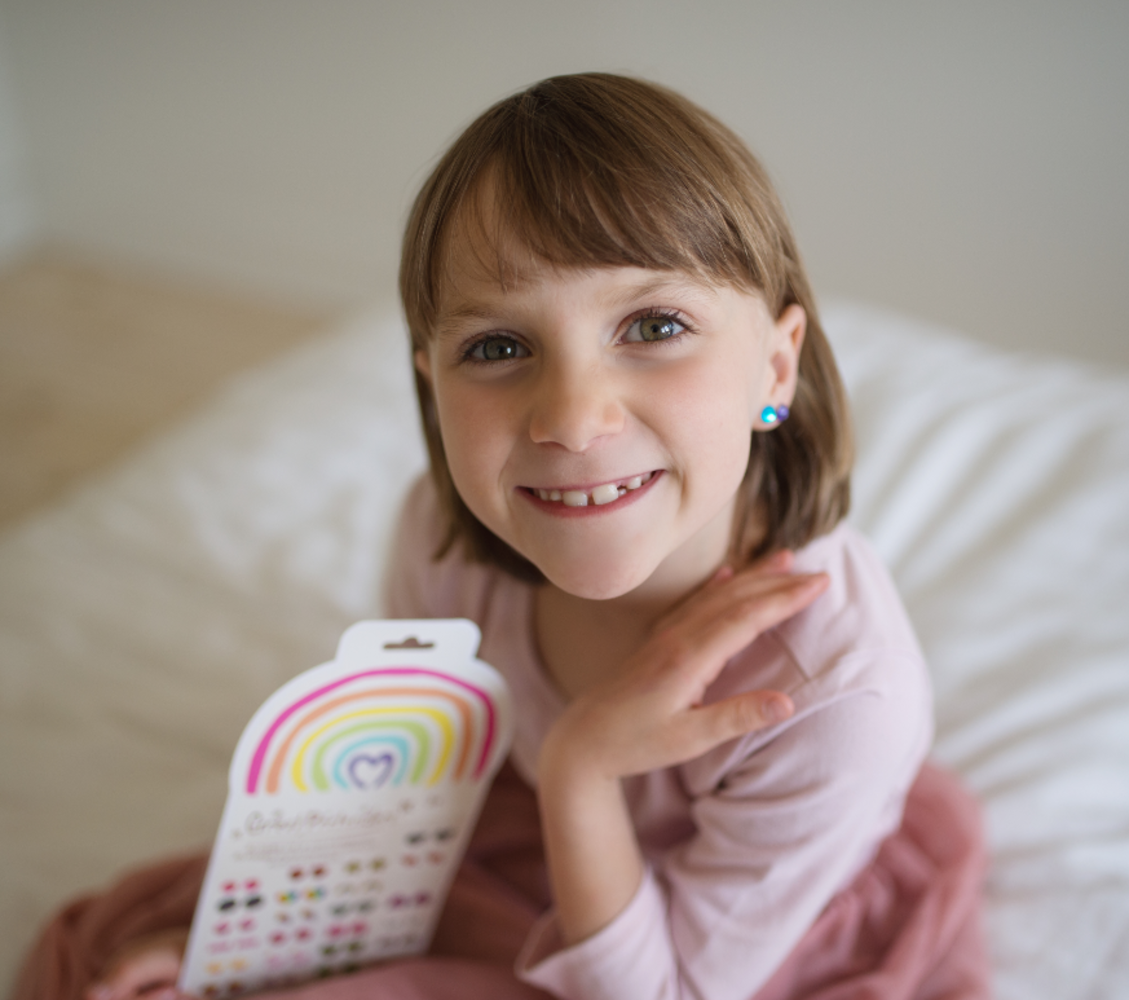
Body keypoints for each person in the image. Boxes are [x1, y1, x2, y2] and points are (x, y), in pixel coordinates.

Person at [20, 73, 989, 1000]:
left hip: (709, 938)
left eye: (652, 325)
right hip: (508, 828)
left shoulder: (830, 696)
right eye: (496, 347)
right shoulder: (442, 537)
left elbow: (670, 985)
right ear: (430, 383)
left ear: (775, 369)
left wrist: (581, 767)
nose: (571, 417)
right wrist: (233, 943)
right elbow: (404, 780)